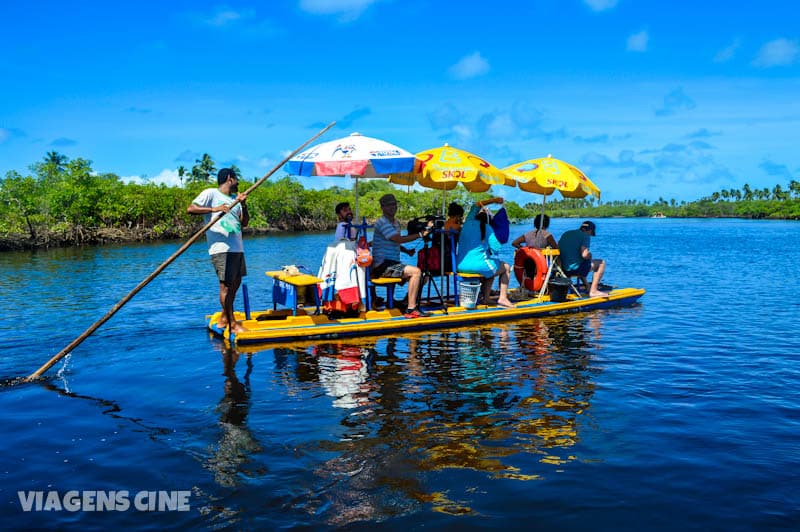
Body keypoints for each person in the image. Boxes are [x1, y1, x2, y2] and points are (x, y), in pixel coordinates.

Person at [187, 168, 250, 333]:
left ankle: (224, 317)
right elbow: (191, 209)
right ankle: (232, 323)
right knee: (226, 287)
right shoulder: (211, 193)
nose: (238, 183)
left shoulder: (234, 200)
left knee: (236, 283)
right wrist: (215, 209)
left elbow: (244, 224)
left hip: (237, 247)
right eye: (237, 179)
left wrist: (243, 204)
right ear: (230, 178)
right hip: (221, 249)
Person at [371, 193, 431, 319]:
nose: (393, 207)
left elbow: (394, 242)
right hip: (382, 265)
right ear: (382, 207)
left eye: (394, 204)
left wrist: (407, 251)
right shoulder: (382, 222)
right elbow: (398, 239)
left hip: (393, 264)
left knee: (424, 276)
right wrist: (420, 235)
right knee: (416, 272)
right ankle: (411, 309)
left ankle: (406, 302)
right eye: (389, 205)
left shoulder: (396, 223)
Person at [456, 197, 515, 308]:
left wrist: (493, 200)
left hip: (460, 266)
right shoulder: (488, 228)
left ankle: (486, 297)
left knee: (492, 264)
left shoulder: (468, 222)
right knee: (505, 267)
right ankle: (502, 298)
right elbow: (496, 249)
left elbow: (476, 204)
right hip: (477, 266)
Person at [557, 220, 608, 297]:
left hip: (562, 269)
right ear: (590, 230)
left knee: (581, 262)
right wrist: (590, 255)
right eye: (591, 233)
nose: (590, 235)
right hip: (575, 270)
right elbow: (584, 255)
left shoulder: (567, 233)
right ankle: (593, 291)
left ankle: (587, 287)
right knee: (601, 263)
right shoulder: (585, 236)